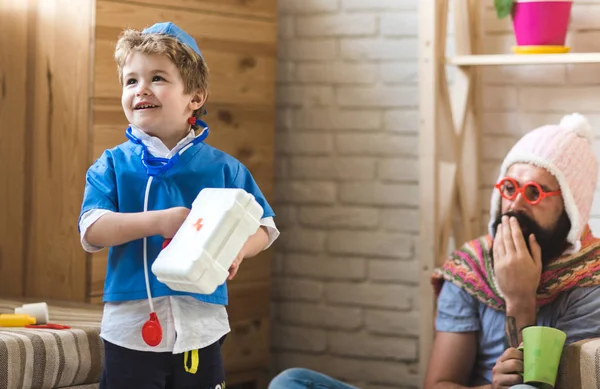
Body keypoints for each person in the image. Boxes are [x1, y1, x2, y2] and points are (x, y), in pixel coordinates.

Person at [268, 113, 600, 389]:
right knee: (292, 381)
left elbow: (546, 384)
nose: (514, 204)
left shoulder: (590, 279)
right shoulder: (471, 269)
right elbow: (440, 384)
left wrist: (519, 299)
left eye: (535, 192)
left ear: (571, 208)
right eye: (509, 188)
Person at [78, 22, 279, 389]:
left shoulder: (223, 168)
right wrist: (158, 222)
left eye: (157, 78)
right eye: (131, 81)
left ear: (196, 97)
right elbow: (92, 229)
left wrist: (237, 250)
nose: (141, 90)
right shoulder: (111, 165)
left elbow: (264, 226)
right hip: (131, 327)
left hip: (201, 327)